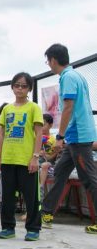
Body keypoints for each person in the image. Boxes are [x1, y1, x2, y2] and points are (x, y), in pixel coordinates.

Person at [40, 44, 97, 234]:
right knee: (60, 173)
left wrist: (60, 137)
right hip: (75, 136)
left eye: (48, 61)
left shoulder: (68, 77)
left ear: (53, 60)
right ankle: (46, 213)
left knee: (89, 178)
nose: (48, 65)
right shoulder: (77, 75)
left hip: (79, 136)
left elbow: (68, 107)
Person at [0, 72, 43, 241]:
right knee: (7, 196)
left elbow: (39, 133)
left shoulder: (34, 108)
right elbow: (2, 134)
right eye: (17, 85)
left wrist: (35, 157)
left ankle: (33, 229)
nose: (20, 88)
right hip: (8, 159)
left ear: (29, 88)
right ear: (12, 87)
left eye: (24, 86)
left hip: (26, 160)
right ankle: (8, 228)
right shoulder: (7, 109)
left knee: (31, 196)